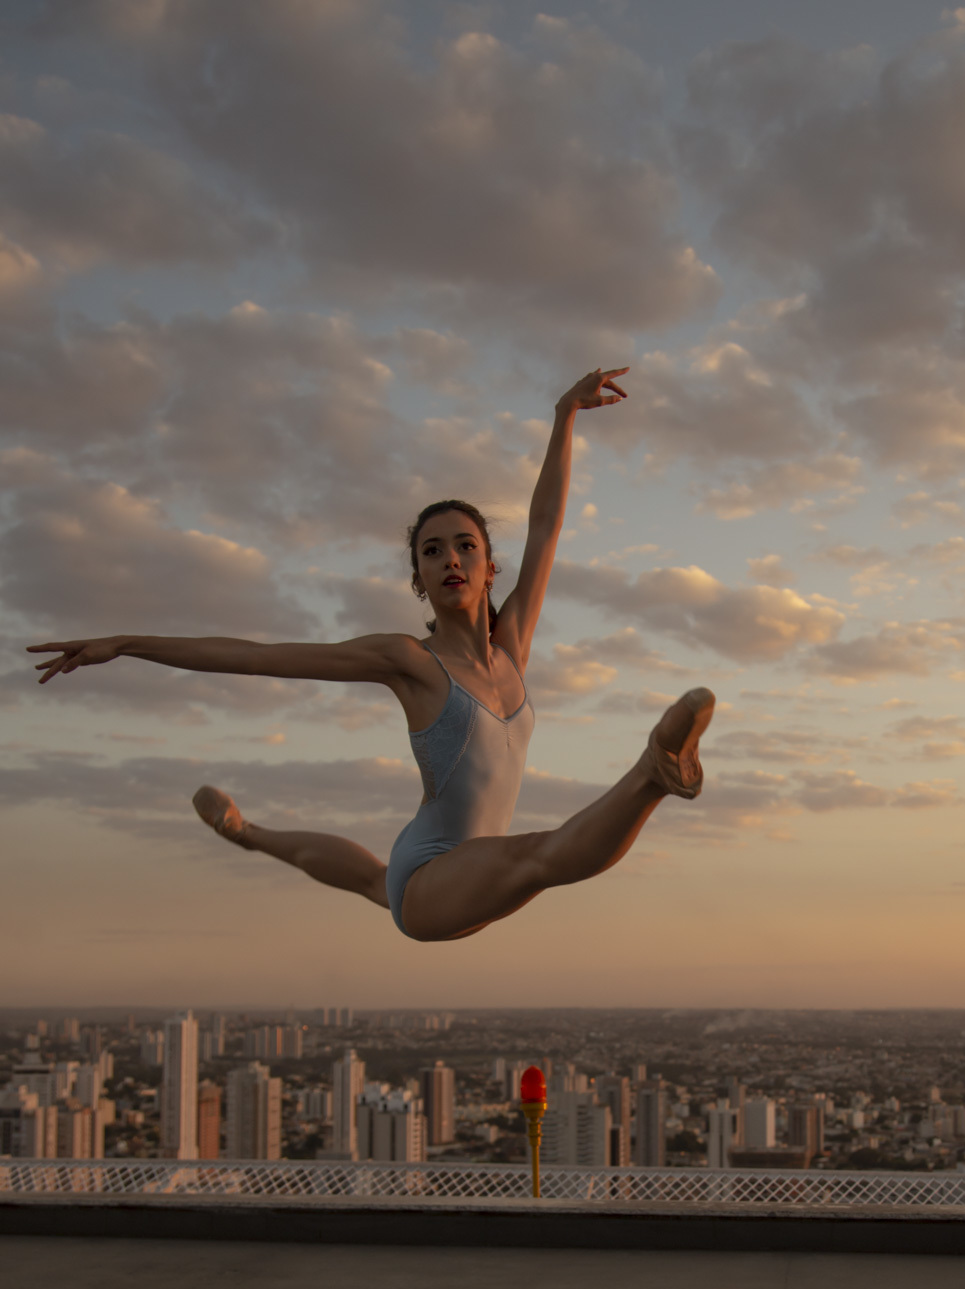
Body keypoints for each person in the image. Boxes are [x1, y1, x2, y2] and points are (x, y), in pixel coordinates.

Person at [28, 366, 715, 942]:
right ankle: (657, 772)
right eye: (432, 550)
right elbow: (256, 655)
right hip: (432, 879)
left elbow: (545, 523)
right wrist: (124, 645)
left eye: (465, 545)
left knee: (367, 877)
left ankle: (245, 832)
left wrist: (565, 414)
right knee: (534, 858)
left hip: (437, 865)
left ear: (488, 569)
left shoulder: (513, 647)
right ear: (419, 577)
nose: (451, 558)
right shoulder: (409, 662)